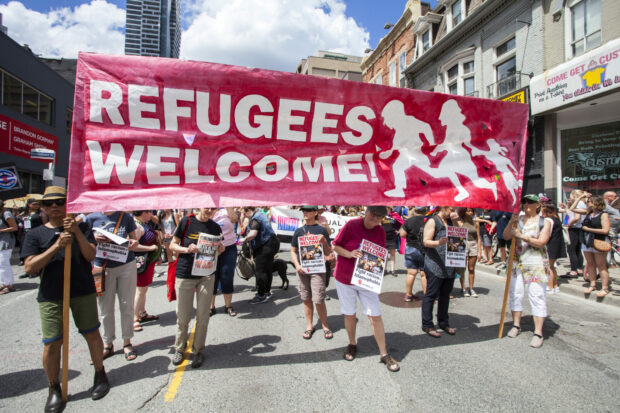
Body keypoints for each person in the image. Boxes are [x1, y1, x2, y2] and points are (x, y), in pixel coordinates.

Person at [20, 186, 110, 412]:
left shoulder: (83, 227)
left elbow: (90, 255)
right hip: (51, 295)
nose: (54, 207)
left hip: (82, 290)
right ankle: (53, 388)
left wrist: (77, 233)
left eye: (60, 202)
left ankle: (100, 374)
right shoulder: (35, 234)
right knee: (52, 344)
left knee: (91, 333)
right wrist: (57, 245)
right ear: (42, 207)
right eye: (49, 203)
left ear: (67, 205)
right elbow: (30, 267)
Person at [332, 206, 399, 372]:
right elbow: (335, 246)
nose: (375, 221)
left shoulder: (380, 231)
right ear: (366, 212)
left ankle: (384, 354)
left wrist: (377, 271)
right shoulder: (351, 225)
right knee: (349, 313)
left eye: (379, 219)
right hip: (345, 277)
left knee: (375, 315)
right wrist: (349, 254)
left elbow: (380, 254)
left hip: (366, 279)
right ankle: (352, 343)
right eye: (373, 217)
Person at [169, 208, 224, 368]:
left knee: (203, 316)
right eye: (207, 207)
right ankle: (179, 348)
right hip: (185, 273)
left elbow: (217, 250)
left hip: (206, 275)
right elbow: (173, 245)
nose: (209, 211)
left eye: (213, 208)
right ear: (200, 206)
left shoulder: (215, 227)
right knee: (183, 316)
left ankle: (198, 350)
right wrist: (187, 249)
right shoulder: (186, 221)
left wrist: (220, 250)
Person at [85, 210, 140, 362]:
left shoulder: (125, 216)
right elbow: (84, 243)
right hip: (102, 267)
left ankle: (127, 342)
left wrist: (133, 243)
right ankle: (108, 344)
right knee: (105, 307)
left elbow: (134, 241)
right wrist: (94, 239)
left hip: (126, 264)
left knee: (126, 305)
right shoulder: (90, 218)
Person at [503, 194, 552, 348]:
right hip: (517, 263)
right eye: (524, 202)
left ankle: (538, 332)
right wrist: (511, 222)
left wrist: (522, 236)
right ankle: (516, 325)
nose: (526, 204)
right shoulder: (519, 220)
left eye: (530, 202)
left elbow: (542, 242)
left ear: (538, 205)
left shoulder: (545, 221)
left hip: (535, 263)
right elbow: (505, 236)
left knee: (536, 295)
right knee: (516, 294)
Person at [290, 206, 334, 340]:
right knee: (306, 298)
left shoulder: (321, 230)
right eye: (304, 210)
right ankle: (309, 326)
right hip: (303, 270)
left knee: (319, 299)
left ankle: (325, 326)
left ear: (315, 213)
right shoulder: (298, 231)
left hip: (318, 270)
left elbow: (329, 253)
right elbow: (293, 250)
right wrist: (297, 265)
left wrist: (324, 242)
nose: (305, 213)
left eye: (308, 210)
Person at [421, 206, 458, 338]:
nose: (453, 212)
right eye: (451, 209)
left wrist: (454, 222)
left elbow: (459, 237)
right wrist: (438, 242)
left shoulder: (451, 221)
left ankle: (443, 322)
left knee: (445, 295)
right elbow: (425, 241)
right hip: (435, 264)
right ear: (444, 207)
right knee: (431, 294)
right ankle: (427, 324)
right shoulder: (433, 221)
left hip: (450, 264)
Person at [573, 195, 611, 297]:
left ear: (596, 203)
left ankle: (605, 287)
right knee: (590, 263)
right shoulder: (588, 213)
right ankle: (592, 284)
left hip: (599, 241)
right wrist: (580, 197)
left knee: (601, 265)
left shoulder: (603, 215)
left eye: (589, 201)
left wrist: (588, 229)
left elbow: (605, 230)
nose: (587, 203)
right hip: (587, 241)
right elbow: (572, 208)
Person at [240, 207, 280, 304]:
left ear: (247, 211)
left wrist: (244, 239)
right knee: (268, 269)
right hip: (272, 243)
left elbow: (253, 233)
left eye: (244, 214)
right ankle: (267, 292)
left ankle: (261, 295)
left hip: (265, 246)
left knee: (260, 271)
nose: (244, 216)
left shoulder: (255, 219)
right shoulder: (261, 214)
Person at [132, 210, 162, 332]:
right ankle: (134, 318)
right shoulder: (137, 225)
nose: (152, 214)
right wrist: (150, 248)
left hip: (148, 261)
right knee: (140, 290)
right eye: (150, 212)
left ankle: (142, 313)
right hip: (141, 262)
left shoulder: (143, 223)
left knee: (143, 290)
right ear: (144, 213)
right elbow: (132, 245)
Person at [210, 207, 239, 317]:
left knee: (227, 275)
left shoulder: (226, 209)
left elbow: (235, 218)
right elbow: (207, 222)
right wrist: (213, 209)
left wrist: (227, 205)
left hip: (229, 248)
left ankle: (228, 306)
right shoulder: (209, 208)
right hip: (213, 248)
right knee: (212, 277)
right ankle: (211, 307)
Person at [400, 206, 427, 301]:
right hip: (425, 249)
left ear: (415, 210)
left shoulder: (409, 221)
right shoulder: (428, 220)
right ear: (425, 210)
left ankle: (408, 295)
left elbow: (402, 234)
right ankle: (427, 296)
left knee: (411, 273)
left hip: (411, 248)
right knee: (424, 274)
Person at [560, 189, 586, 278]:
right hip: (579, 228)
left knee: (571, 249)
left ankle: (573, 270)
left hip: (574, 228)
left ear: (574, 195)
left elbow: (576, 217)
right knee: (577, 249)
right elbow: (570, 212)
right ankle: (579, 268)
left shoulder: (579, 203)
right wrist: (566, 207)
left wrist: (569, 225)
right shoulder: (581, 203)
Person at [456, 207, 481, 297]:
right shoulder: (460, 222)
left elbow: (478, 237)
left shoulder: (475, 222)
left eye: (472, 211)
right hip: (463, 244)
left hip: (473, 244)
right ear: (463, 212)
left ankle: (471, 288)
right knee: (462, 268)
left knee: (471, 268)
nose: (470, 212)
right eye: (468, 211)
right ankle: (463, 288)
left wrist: (480, 250)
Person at [542, 203, 566, 295]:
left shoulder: (548, 220)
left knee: (549, 267)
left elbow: (547, 233)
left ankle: (549, 286)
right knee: (552, 267)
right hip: (556, 245)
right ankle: (555, 286)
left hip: (550, 245)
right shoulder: (556, 218)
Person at [0, 200, 18, 294]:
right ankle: (3, 283)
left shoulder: (6, 213)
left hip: (6, 241)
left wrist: (1, 231)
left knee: (3, 264)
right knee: (1, 264)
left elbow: (14, 227)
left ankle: (8, 285)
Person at [382, 206, 401, 277]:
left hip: (392, 237)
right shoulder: (381, 215)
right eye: (386, 208)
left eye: (388, 208)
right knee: (385, 254)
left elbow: (402, 223)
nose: (387, 209)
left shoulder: (395, 215)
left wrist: (399, 231)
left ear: (390, 208)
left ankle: (393, 270)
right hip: (384, 237)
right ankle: (384, 270)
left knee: (392, 254)